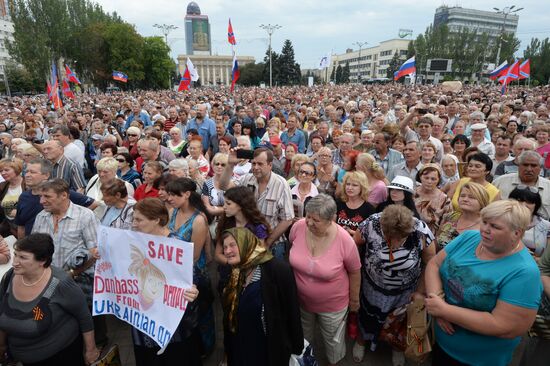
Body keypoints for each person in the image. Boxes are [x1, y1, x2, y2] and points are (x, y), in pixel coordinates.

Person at [425, 200, 542, 366]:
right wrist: (438, 302)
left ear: (517, 233)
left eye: (495, 226)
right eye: (484, 222)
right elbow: (434, 264)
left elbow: (505, 326)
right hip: (440, 344)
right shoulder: (468, 238)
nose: (485, 230)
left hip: (477, 359)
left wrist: (445, 311)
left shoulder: (524, 272)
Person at [0, 234, 100, 365]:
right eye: (16, 255)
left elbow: (84, 317)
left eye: (23, 257)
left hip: (62, 357)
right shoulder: (9, 278)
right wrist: (2, 346)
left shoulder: (59, 283)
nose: (14, 262)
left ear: (42, 260)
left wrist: (90, 350)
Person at [353, 204, 435, 364]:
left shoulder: (421, 231)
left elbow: (430, 262)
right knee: (367, 316)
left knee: (399, 324)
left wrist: (420, 291)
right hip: (372, 287)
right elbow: (355, 243)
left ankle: (396, 348)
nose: (394, 243)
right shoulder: (371, 223)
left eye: (400, 239)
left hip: (404, 292)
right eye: (389, 237)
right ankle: (361, 341)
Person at [289, 194, 360, 365]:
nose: (310, 223)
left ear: (331, 219)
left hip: (332, 306)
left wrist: (354, 300)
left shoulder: (344, 241)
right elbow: (292, 246)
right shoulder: (298, 227)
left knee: (333, 342)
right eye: (308, 217)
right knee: (303, 338)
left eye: (316, 220)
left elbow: (355, 271)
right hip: (301, 301)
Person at [130, 198, 201, 366]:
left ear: (156, 220)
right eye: (134, 219)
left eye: (139, 220)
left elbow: (192, 275)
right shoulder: (133, 243)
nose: (134, 224)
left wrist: (193, 288)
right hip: (142, 322)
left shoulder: (177, 244)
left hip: (172, 326)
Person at [222, 227, 303, 366]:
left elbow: (292, 312)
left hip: (268, 349)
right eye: (224, 247)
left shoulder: (278, 270)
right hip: (240, 348)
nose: (227, 251)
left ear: (246, 243)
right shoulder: (234, 273)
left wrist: (296, 348)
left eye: (232, 245)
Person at [165, 178, 214, 356]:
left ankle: (205, 348)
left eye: (173, 194)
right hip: (174, 270)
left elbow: (194, 255)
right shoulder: (172, 211)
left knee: (201, 315)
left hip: (194, 275)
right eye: (168, 193)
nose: (169, 198)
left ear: (186, 194)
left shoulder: (198, 220)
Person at [219, 148, 294, 259]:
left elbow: (287, 219)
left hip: (273, 245)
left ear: (270, 165)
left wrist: (267, 243)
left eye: (260, 164)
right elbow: (223, 186)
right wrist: (230, 165)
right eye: (253, 163)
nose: (255, 167)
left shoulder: (281, 184)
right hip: (247, 243)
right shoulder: (246, 179)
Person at [493, 151, 550, 220]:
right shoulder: (500, 182)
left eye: (533, 165)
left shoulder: (548, 186)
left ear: (540, 168)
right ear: (518, 166)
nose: (529, 169)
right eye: (525, 165)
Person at [436, 181, 490, 251]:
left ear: (482, 202)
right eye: (462, 196)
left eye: (471, 197)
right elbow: (436, 243)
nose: (465, 199)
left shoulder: (487, 226)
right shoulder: (450, 217)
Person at [509, 187, 550, 257]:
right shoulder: (499, 221)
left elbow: (546, 259)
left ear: (536, 205)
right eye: (520, 200)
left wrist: (536, 259)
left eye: (529, 202)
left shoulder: (546, 226)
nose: (524, 205)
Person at [336, 171, 375, 237]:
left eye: (354, 185)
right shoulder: (338, 203)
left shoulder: (369, 209)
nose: (350, 188)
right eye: (348, 184)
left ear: (362, 187)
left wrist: (350, 232)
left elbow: (369, 236)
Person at [414, 164, 452, 234]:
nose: (429, 181)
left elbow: (447, 224)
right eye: (426, 178)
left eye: (433, 179)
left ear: (438, 180)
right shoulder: (412, 194)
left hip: (433, 237)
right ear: (420, 177)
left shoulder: (444, 199)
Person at [0, 158, 25, 237]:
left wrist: (19, 213)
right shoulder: (2, 186)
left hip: (25, 228)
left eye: (6, 170)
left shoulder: (27, 184)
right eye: (1, 171)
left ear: (17, 169)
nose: (3, 173)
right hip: (8, 228)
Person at [201, 153, 228, 218]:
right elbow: (207, 207)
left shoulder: (232, 183)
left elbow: (234, 207)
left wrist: (215, 208)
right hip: (212, 218)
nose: (219, 166)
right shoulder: (207, 183)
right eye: (217, 164)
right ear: (213, 165)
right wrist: (223, 209)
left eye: (223, 165)